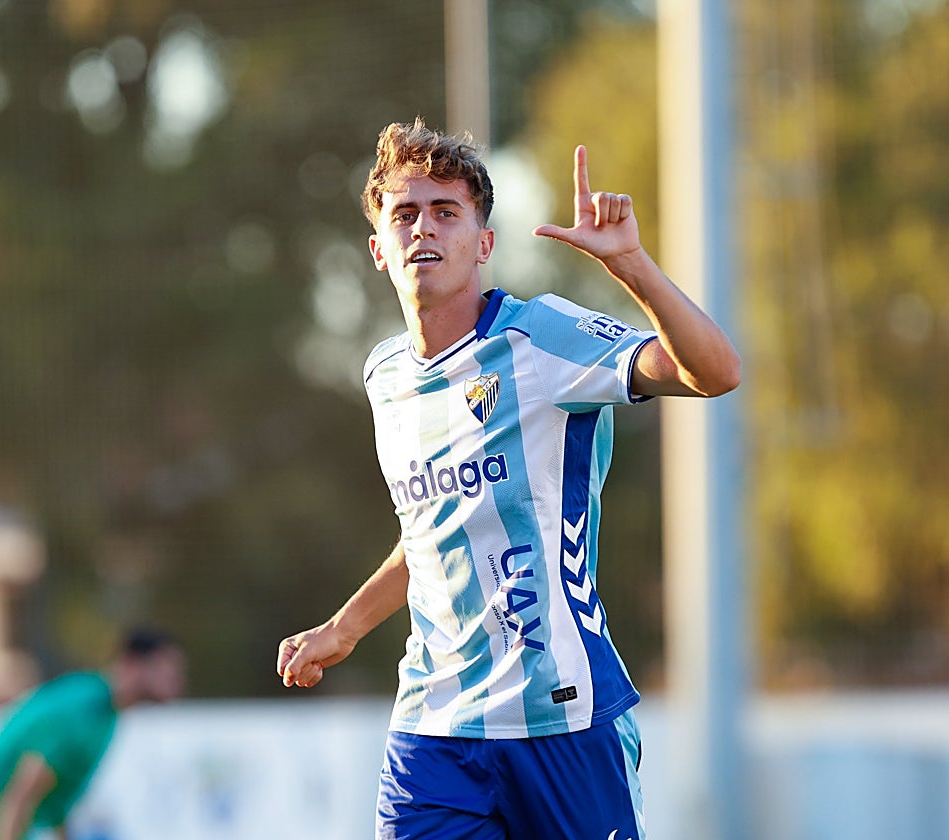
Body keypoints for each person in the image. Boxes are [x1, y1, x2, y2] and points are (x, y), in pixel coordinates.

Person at [277, 117, 740, 840]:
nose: (423, 229)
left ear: (483, 242)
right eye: (404, 214)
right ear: (378, 249)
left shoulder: (542, 340)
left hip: (563, 718)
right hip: (436, 731)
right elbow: (431, 532)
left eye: (446, 212)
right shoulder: (385, 377)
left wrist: (632, 268)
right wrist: (344, 629)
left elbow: (714, 373)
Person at [0, 628, 186, 840]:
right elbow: (18, 796)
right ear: (133, 664)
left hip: (2, 820)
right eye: (165, 666)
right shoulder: (83, 710)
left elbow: (56, 804)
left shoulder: (106, 715)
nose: (175, 677)